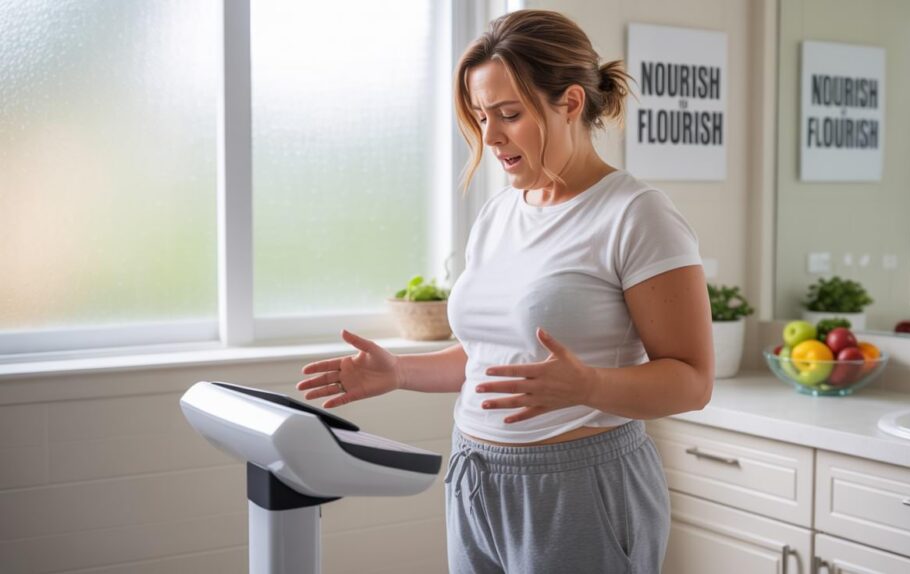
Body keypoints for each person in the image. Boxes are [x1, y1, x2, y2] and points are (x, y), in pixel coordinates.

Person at [297, 9, 713, 573]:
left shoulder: (636, 215)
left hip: (581, 486)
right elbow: (488, 360)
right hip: (475, 475)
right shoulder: (498, 215)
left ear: (570, 102)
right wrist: (399, 372)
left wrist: (587, 384)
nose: (490, 136)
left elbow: (691, 381)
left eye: (509, 115)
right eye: (480, 116)